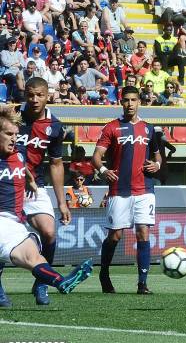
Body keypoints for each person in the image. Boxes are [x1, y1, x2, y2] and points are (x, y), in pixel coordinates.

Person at [0, 105, 92, 308]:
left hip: (13, 222)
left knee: (35, 255)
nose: (14, 139)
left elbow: (22, 167)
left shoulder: (18, 155)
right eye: (8, 134)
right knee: (30, 255)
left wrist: (30, 181)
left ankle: (61, 283)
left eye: (16, 134)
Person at [0, 78, 71, 306]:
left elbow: (56, 164)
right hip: (6, 183)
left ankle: (41, 283)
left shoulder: (55, 126)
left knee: (49, 232)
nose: (34, 100)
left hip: (33, 186)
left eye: (39, 95)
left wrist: (62, 202)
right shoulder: (12, 118)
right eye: (30, 95)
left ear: (47, 95)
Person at [92, 86, 161, 295]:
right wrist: (103, 170)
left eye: (133, 100)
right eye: (126, 100)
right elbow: (96, 156)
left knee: (143, 233)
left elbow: (157, 156)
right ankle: (104, 272)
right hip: (119, 189)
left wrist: (157, 165)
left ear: (140, 102)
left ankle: (142, 283)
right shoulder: (112, 127)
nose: (130, 104)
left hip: (145, 189)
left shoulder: (149, 129)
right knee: (115, 236)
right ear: (121, 103)